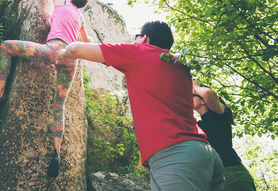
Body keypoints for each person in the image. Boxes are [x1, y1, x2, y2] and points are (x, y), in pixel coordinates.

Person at [54, 20, 224, 190]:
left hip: (174, 155)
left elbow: (75, 49)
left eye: (137, 37)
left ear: (144, 39)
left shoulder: (139, 52)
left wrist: (61, 53)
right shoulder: (180, 67)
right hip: (206, 154)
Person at [0, 0, 91, 178]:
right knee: (58, 105)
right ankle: (56, 153)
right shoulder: (79, 18)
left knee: (6, 47)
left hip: (53, 50)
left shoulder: (61, 1)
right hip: (70, 60)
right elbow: (87, 44)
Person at [193, 79, 256, 190]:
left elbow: (208, 94)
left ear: (203, 101)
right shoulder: (198, 125)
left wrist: (195, 85)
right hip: (214, 178)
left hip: (232, 174)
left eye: (192, 95)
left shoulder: (219, 115)